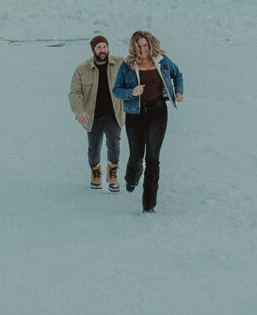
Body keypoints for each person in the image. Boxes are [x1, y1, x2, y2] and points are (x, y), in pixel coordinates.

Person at [112, 30, 184, 213]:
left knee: (152, 158)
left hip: (158, 112)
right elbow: (116, 90)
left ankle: (149, 205)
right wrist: (131, 93)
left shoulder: (162, 61)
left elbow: (178, 75)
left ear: (150, 45)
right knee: (136, 156)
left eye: (145, 45)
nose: (143, 49)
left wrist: (179, 91)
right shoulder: (127, 65)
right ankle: (131, 178)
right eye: (139, 45)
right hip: (134, 114)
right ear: (134, 46)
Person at [69, 35, 125, 192]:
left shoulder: (120, 63)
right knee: (94, 147)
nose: (103, 50)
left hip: (114, 114)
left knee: (114, 144)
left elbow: (136, 68)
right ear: (93, 49)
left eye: (105, 47)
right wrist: (79, 111)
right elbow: (74, 93)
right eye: (99, 47)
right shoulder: (82, 69)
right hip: (93, 116)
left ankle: (112, 174)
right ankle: (95, 173)